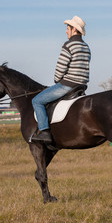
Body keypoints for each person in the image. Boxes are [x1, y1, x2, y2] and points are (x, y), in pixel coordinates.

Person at [31, 15, 91, 143]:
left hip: (67, 85)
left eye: (68, 28)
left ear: (74, 29)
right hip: (81, 87)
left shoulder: (69, 45)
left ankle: (44, 131)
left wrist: (57, 79)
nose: (66, 31)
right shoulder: (86, 47)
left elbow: (60, 69)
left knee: (37, 101)